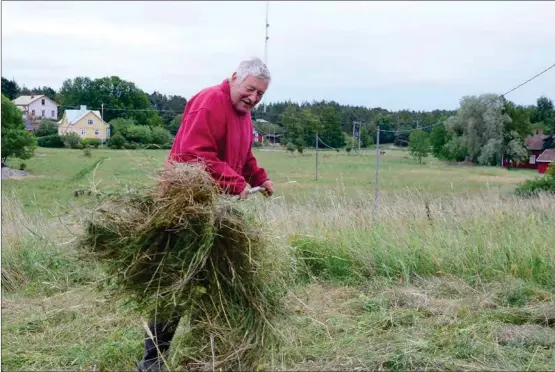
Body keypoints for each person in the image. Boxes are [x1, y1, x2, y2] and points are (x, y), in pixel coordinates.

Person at [137, 57, 274, 372]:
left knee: (212, 280)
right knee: (175, 283)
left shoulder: (244, 115)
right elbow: (193, 154)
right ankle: (153, 362)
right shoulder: (210, 101)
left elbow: (244, 154)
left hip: (213, 208)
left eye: (260, 95)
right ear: (235, 78)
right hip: (183, 207)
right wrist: (234, 182)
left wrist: (258, 178)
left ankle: (206, 357)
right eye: (250, 89)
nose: (253, 98)